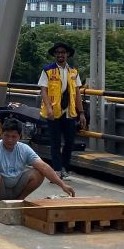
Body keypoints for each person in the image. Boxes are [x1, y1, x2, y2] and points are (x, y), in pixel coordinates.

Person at [0, 119, 74, 208]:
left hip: (16, 187)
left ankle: (19, 200)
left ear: (20, 137)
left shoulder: (24, 149)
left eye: (14, 136)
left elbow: (44, 167)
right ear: (1, 134)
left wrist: (63, 185)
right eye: (7, 136)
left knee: (39, 172)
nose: (9, 140)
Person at [38, 41, 87, 179]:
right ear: (54, 55)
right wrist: (48, 108)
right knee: (55, 143)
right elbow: (44, 90)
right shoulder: (47, 70)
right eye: (58, 52)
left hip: (69, 113)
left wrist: (81, 112)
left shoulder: (73, 72)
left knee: (70, 142)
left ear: (68, 55)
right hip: (54, 112)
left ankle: (64, 166)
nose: (61, 55)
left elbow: (77, 93)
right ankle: (57, 170)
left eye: (63, 53)